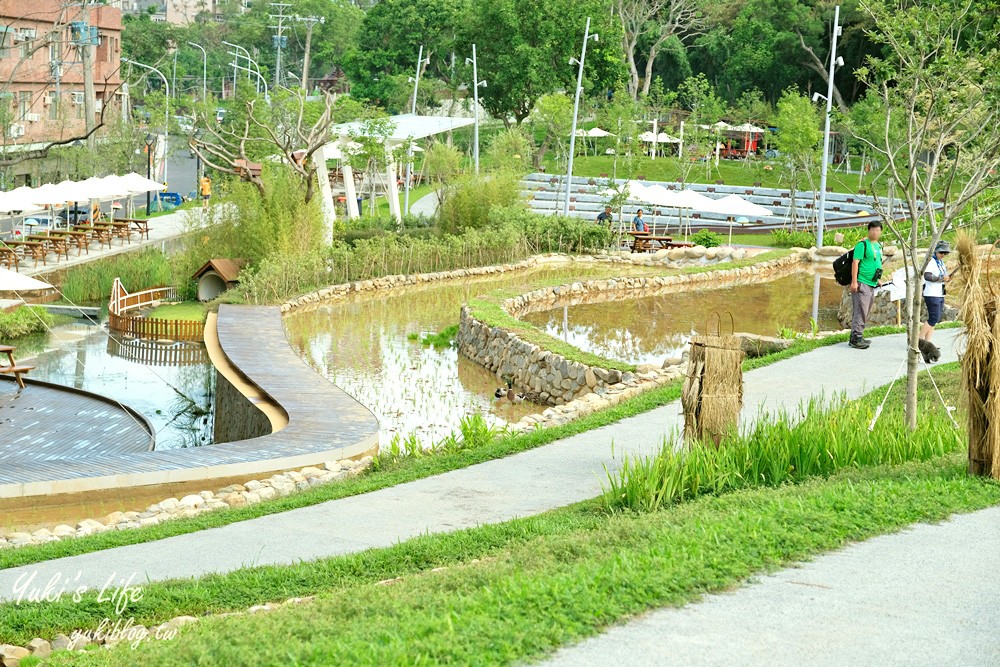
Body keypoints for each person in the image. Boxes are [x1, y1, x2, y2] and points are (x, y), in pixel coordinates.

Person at [849, 220, 885, 350]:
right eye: (873, 229)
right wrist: (854, 282)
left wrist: (878, 280)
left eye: (878, 230)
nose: (875, 232)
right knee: (860, 310)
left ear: (881, 232)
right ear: (869, 230)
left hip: (871, 283)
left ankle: (857, 335)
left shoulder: (878, 246)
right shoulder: (862, 245)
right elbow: (855, 263)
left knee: (865, 310)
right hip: (861, 282)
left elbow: (875, 263)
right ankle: (856, 338)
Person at [920, 241, 951, 342]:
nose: (943, 255)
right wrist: (942, 278)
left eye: (945, 253)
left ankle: (928, 342)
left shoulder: (940, 262)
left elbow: (944, 276)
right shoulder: (931, 261)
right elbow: (927, 276)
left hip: (939, 293)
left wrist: (946, 278)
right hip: (931, 293)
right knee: (934, 318)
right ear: (936, 251)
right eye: (941, 252)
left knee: (934, 320)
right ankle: (919, 341)